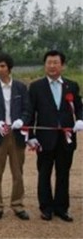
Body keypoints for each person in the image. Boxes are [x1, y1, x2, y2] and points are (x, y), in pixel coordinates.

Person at [27, 50, 83, 222]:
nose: (52, 66)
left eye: (55, 62)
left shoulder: (71, 85)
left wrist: (80, 119)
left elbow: (79, 106)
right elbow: (30, 113)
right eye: (49, 63)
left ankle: (61, 208)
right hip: (44, 139)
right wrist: (31, 135)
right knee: (44, 173)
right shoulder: (36, 87)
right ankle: (46, 208)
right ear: (45, 65)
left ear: (62, 65)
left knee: (63, 173)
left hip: (66, 138)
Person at [0, 54, 31, 220]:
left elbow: (28, 110)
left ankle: (17, 204)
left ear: (9, 68)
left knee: (18, 172)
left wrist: (21, 120)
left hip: (16, 134)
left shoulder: (20, 87)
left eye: (2, 66)